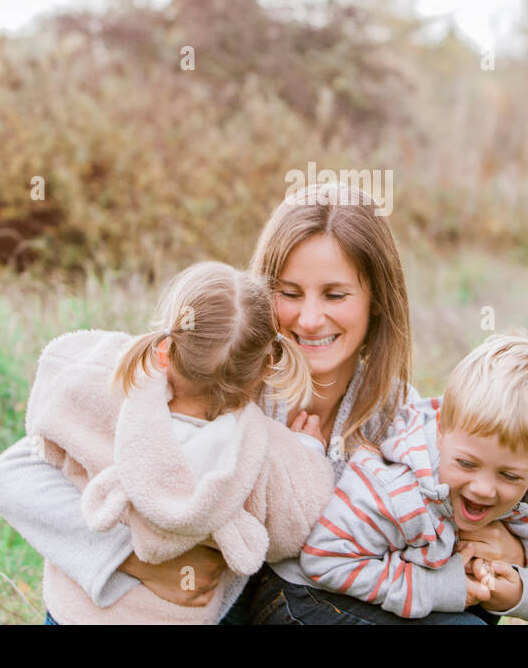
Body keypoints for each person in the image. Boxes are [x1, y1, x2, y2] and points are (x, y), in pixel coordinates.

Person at [0, 183, 528, 624]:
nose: (309, 319)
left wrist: (502, 553)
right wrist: (133, 560)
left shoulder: (398, 417)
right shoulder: (213, 376)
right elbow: (12, 474)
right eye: (289, 294)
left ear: (377, 303)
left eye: (335, 295)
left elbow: (486, 500)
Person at [25, 262, 335, 623]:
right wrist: (309, 450)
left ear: (165, 348)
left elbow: (50, 406)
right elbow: (295, 529)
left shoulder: (106, 397)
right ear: (266, 367)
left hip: (77, 611)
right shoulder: (266, 453)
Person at [299, 333, 528, 621]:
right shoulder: (397, 489)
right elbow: (324, 559)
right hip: (312, 600)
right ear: (441, 430)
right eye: (466, 463)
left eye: (509, 476)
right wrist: (441, 587)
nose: (483, 489)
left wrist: (520, 591)